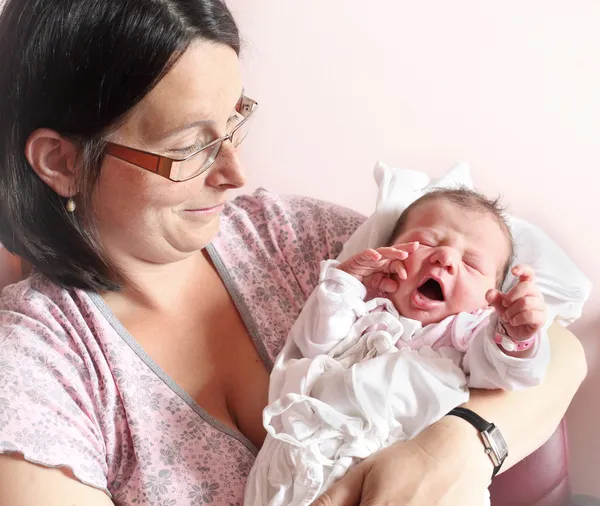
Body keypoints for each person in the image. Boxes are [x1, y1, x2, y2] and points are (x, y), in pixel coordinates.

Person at [0, 1, 586, 505]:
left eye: (234, 123)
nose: (236, 173)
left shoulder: (285, 236)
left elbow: (559, 348)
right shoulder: (38, 366)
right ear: (62, 162)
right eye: (189, 148)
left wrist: (462, 444)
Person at [245, 188, 551, 506]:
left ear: (491, 298)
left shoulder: (469, 335)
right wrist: (345, 286)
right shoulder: (365, 311)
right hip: (310, 462)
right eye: (428, 242)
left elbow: (505, 371)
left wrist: (514, 332)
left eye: (471, 263)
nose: (444, 258)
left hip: (412, 483)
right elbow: (313, 345)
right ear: (388, 252)